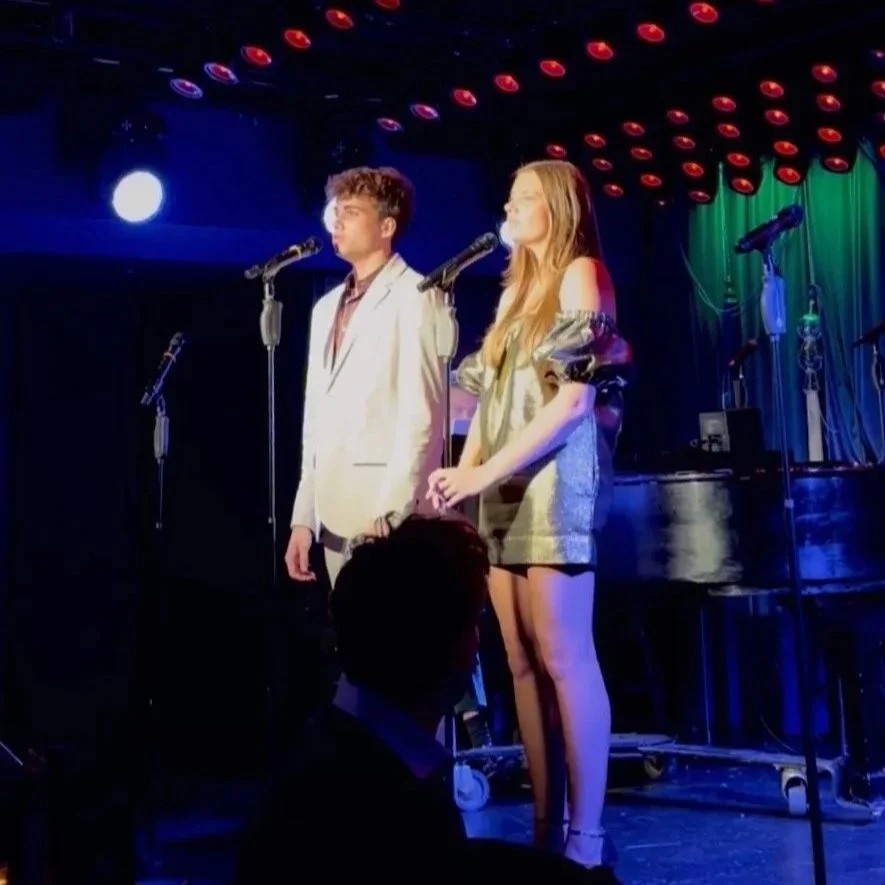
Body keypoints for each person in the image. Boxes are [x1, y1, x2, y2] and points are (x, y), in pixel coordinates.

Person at [427, 159, 632, 873]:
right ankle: (545, 824)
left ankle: (586, 831)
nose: (507, 208)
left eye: (521, 198)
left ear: (554, 206)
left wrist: (484, 468)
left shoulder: (581, 273)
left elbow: (574, 400)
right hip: (504, 486)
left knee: (564, 656)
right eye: (506, 197)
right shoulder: (515, 292)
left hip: (553, 482)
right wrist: (464, 474)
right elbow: (482, 406)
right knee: (518, 660)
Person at [284, 166, 446, 589]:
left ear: (386, 225)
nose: (337, 221)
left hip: (386, 515)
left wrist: (395, 511)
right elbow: (314, 421)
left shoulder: (417, 296)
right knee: (353, 646)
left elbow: (424, 416)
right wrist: (304, 517)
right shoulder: (326, 308)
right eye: (336, 211)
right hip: (334, 516)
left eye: (351, 211)